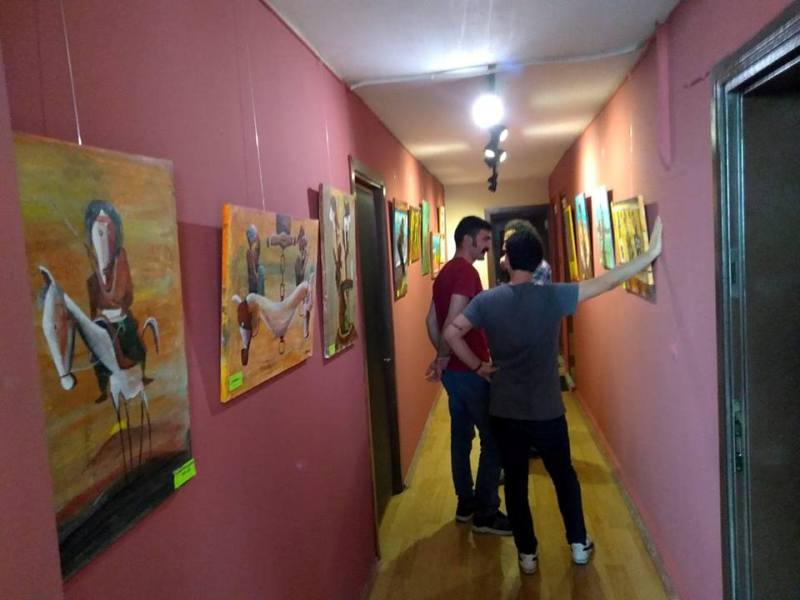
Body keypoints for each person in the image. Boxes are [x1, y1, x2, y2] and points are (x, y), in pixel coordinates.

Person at [443, 216, 663, 575]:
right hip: (547, 410)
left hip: (505, 411)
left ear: (507, 261)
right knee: (563, 476)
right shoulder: (554, 296)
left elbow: (452, 333)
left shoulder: (487, 301)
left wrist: (478, 366)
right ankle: (578, 544)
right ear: (537, 262)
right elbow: (607, 281)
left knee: (515, 482)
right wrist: (649, 254)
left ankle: (527, 554)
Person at [425, 216, 511, 535]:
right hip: (470, 372)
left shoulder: (444, 273)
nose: (489, 246)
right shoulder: (466, 272)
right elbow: (452, 324)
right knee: (494, 439)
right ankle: (486, 513)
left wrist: (442, 358)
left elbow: (430, 323)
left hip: (454, 373)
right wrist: (472, 364)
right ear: (468, 240)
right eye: (485, 239)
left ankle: (466, 504)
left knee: (461, 437)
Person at [84, 200, 149, 403]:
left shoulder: (121, 263)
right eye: (99, 232)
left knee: (138, 349)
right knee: (97, 357)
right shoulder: (92, 280)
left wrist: (110, 289)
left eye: (109, 230)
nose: (104, 238)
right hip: (103, 323)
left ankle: (140, 374)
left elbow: (125, 296)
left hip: (121, 320)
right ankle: (104, 387)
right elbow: (93, 307)